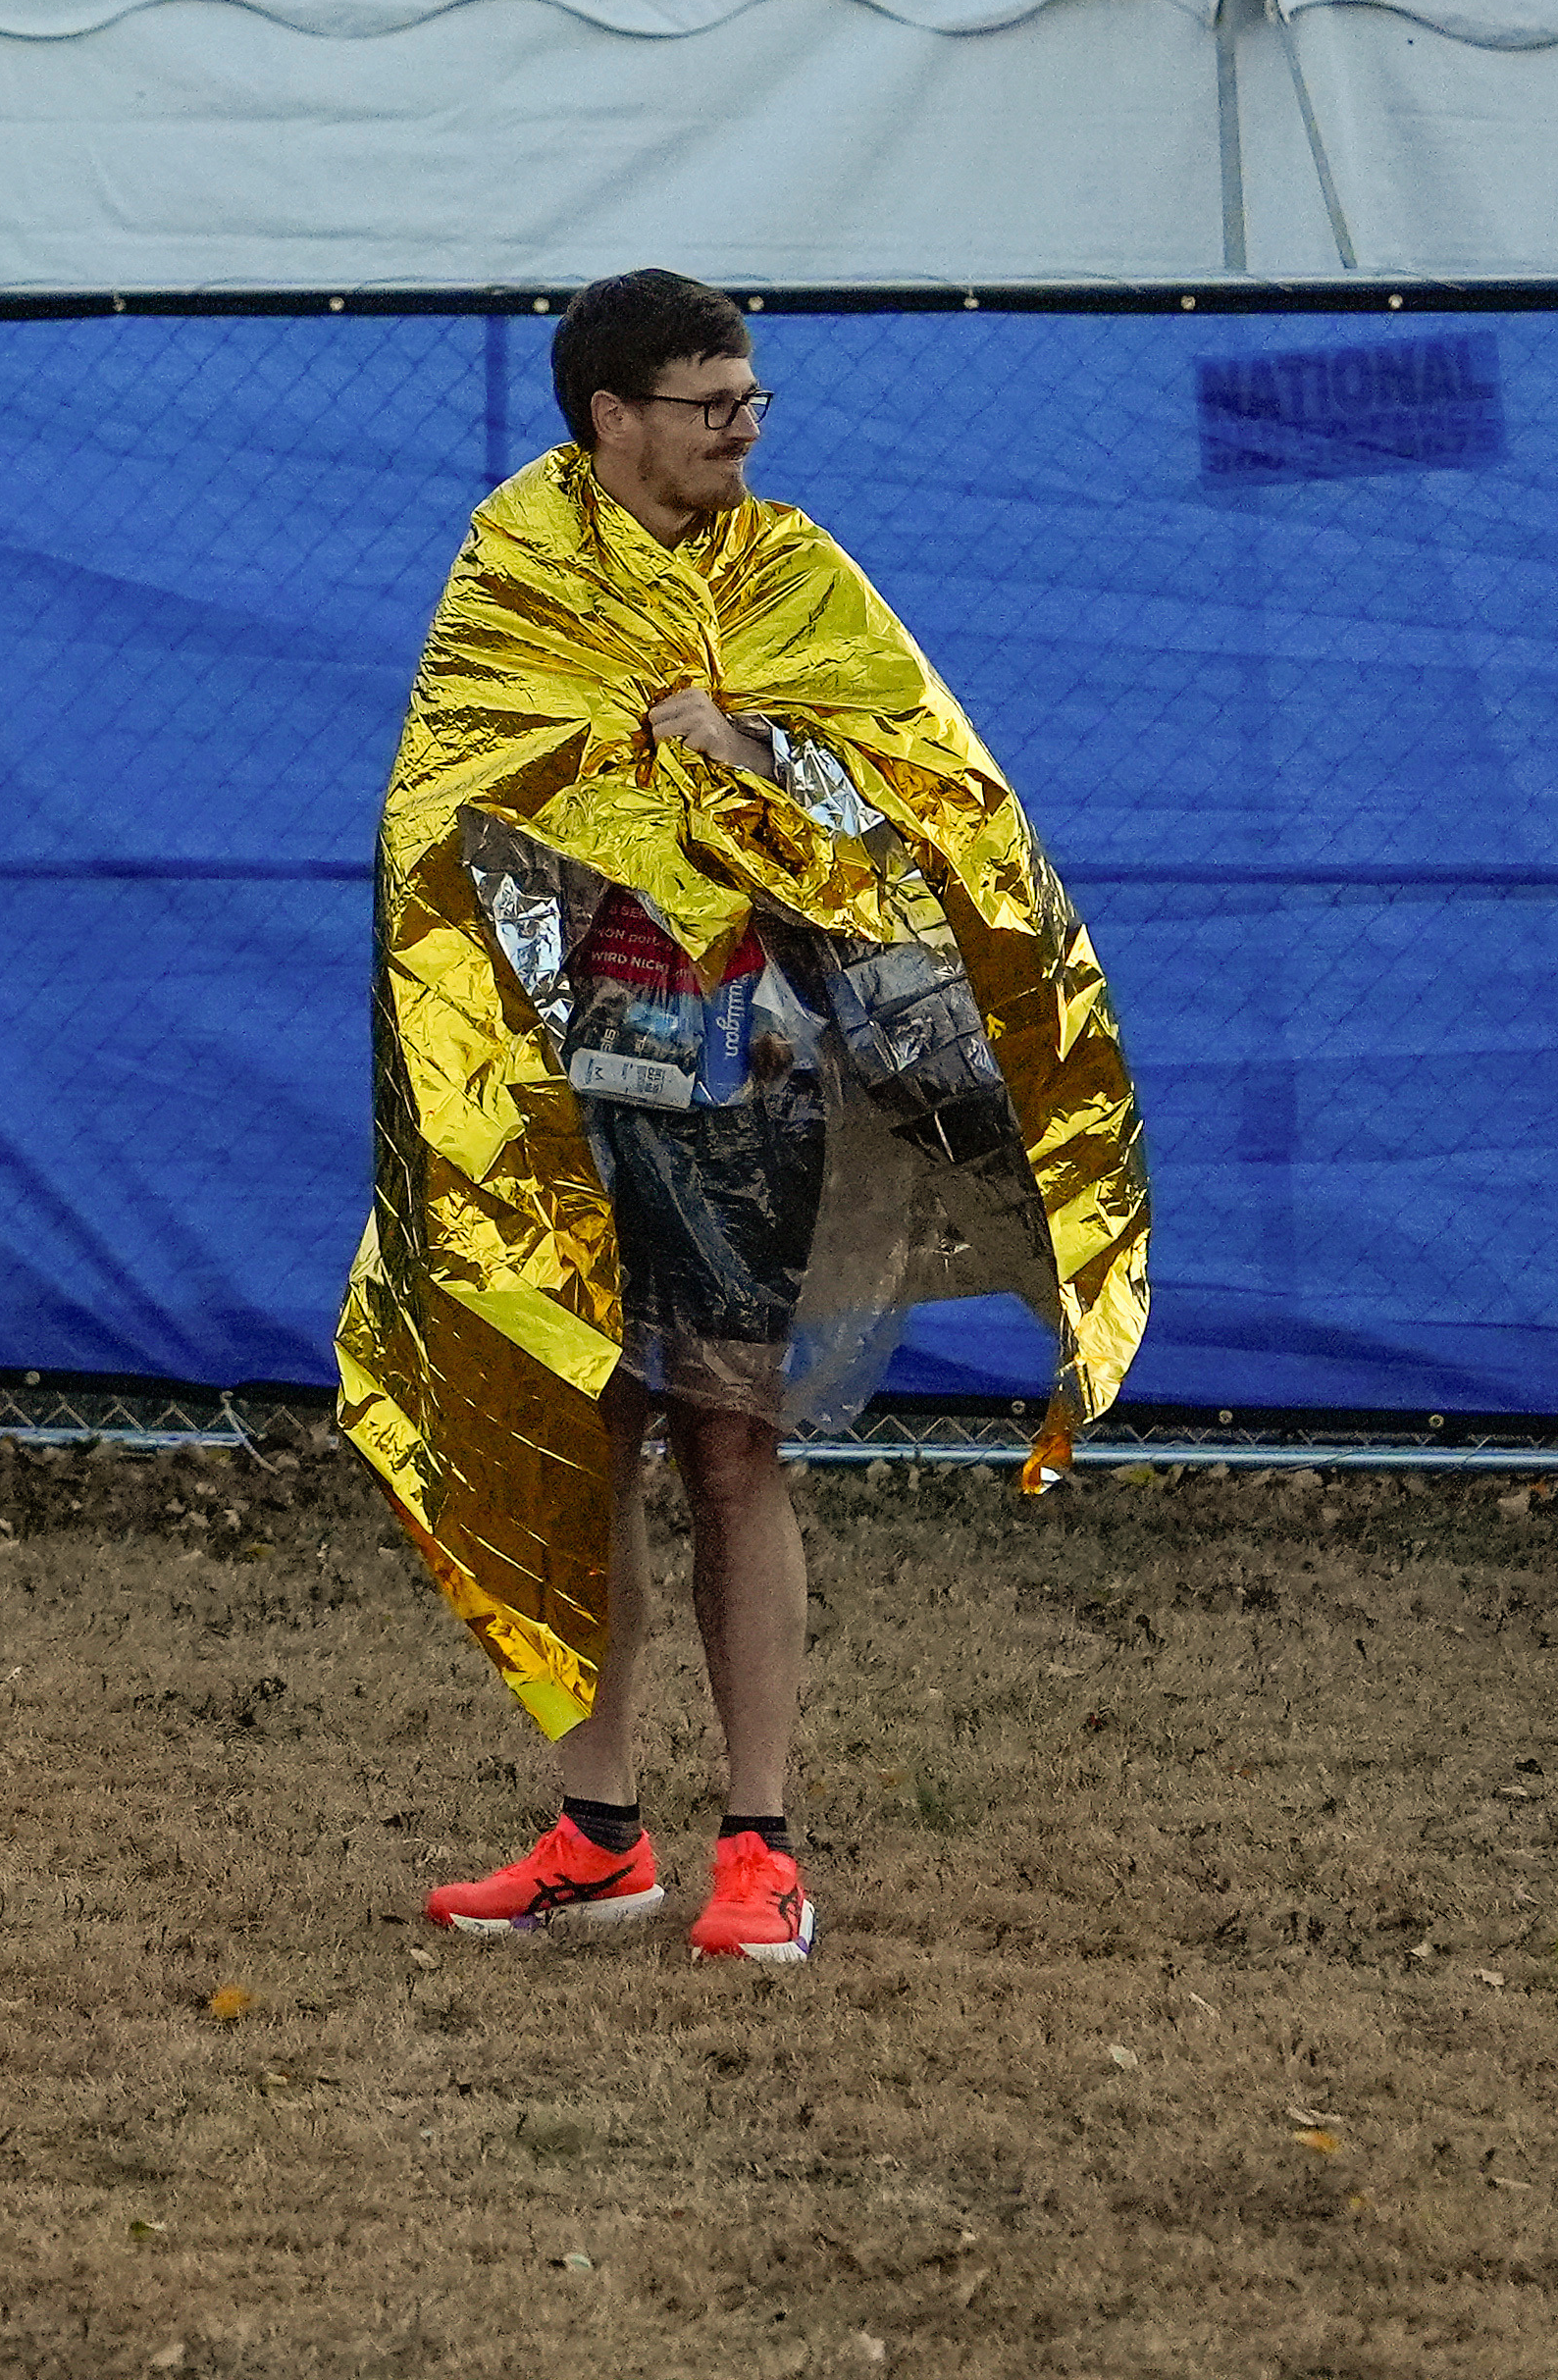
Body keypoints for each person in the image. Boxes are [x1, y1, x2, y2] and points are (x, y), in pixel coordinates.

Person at [334, 268, 1152, 1963]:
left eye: (751, 402)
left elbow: (934, 809)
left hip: (748, 1077)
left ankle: (760, 1845)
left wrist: (755, 753)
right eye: (712, 407)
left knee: (731, 1439)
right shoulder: (515, 567)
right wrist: (650, 786)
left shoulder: (791, 575)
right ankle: (599, 1830)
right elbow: (455, 810)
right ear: (610, 417)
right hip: (558, 1092)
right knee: (579, 1433)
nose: (744, 431)